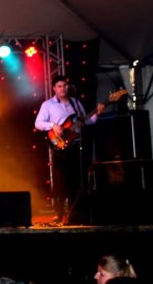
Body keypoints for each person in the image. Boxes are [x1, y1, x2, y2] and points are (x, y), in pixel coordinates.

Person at [34, 75, 105, 225]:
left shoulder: (76, 103)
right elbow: (38, 123)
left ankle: (74, 214)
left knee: (75, 181)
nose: (63, 89)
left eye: (65, 85)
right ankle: (59, 214)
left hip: (76, 146)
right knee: (61, 182)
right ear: (54, 88)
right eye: (59, 86)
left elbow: (86, 122)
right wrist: (53, 125)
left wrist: (98, 113)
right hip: (60, 147)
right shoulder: (48, 105)